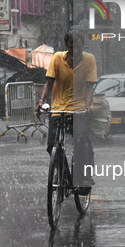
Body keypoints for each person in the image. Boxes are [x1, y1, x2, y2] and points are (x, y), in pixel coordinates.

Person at [36, 30, 97, 193]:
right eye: (72, 48)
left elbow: (90, 87)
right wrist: (41, 102)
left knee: (81, 142)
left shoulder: (89, 60)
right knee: (51, 146)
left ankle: (83, 176)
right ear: (67, 47)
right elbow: (48, 83)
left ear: (82, 46)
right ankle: (62, 172)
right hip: (58, 109)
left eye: (78, 47)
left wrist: (87, 106)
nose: (75, 51)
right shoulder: (57, 58)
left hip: (79, 110)